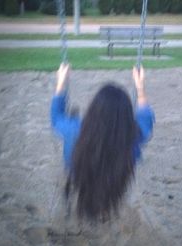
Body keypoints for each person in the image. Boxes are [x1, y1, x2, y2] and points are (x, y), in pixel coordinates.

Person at [50, 63, 155, 222]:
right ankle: (103, 198)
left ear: (93, 109)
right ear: (126, 115)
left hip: (78, 170)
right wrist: (140, 89)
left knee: (73, 140)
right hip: (114, 176)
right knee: (128, 153)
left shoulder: (75, 128)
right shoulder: (133, 134)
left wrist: (61, 83)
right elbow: (145, 119)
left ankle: (89, 190)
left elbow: (56, 118)